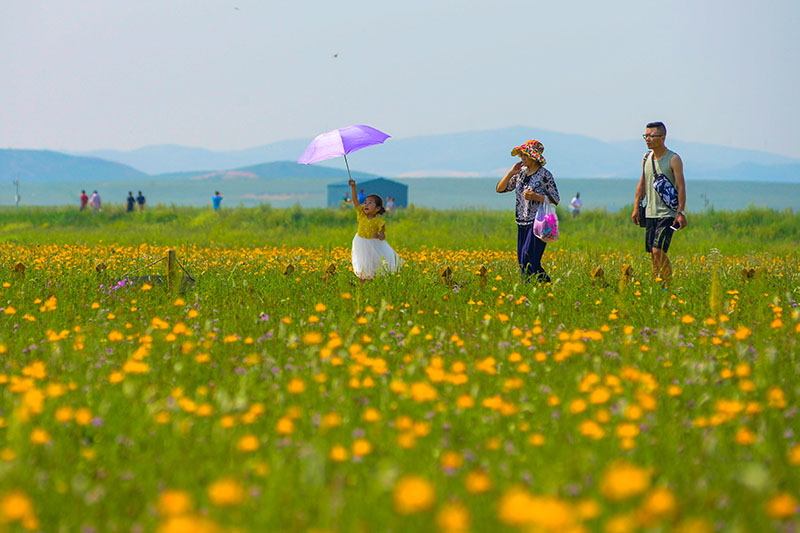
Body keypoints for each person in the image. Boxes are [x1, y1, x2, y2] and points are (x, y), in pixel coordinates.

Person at [631, 121, 687, 286]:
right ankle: (657, 286)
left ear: (662, 138)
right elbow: (642, 183)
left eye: (651, 136)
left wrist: (680, 212)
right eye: (645, 136)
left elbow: (682, 186)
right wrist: (636, 207)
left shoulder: (673, 159)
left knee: (658, 250)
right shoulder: (646, 158)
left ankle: (668, 286)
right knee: (652, 254)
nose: (647, 139)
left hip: (668, 215)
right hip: (650, 213)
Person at [496, 139, 560, 283]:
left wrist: (536, 196)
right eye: (521, 156)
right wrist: (511, 172)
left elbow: (555, 198)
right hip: (521, 222)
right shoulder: (520, 175)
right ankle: (544, 286)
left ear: (534, 156)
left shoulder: (545, 175)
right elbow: (500, 188)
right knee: (524, 261)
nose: (522, 158)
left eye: (525, 155)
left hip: (538, 222)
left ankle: (534, 287)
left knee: (528, 258)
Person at [348, 178, 402, 280]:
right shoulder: (361, 214)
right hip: (360, 242)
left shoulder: (379, 222)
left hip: (373, 245)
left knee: (373, 264)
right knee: (362, 264)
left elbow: (383, 236)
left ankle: (373, 283)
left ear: (377, 208)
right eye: (365, 203)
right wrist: (353, 187)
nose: (366, 205)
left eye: (370, 203)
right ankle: (362, 284)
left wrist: (378, 236)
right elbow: (355, 200)